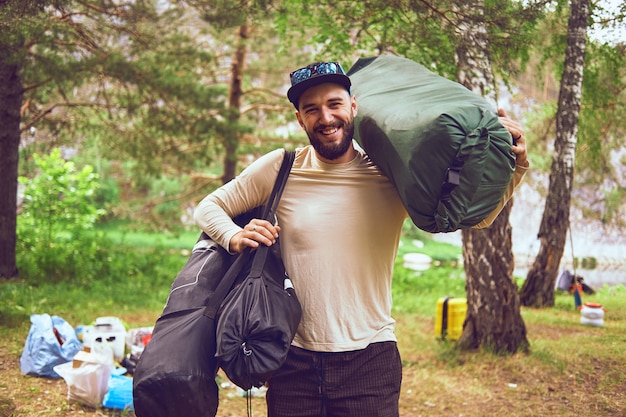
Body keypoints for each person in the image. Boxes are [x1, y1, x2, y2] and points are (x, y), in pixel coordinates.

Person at [194, 60, 529, 417]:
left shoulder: (391, 174)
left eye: (334, 104)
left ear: (354, 106)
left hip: (371, 360)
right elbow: (209, 207)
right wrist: (234, 235)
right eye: (312, 109)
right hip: (293, 362)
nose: (326, 118)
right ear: (300, 119)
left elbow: (474, 218)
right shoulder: (282, 167)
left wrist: (515, 164)